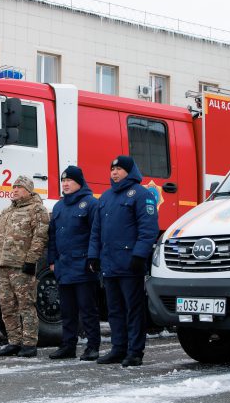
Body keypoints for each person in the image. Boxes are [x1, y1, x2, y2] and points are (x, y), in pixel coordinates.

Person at [87, 155, 159, 367]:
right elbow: (96, 230)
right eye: (112, 169)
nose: (114, 173)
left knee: (133, 309)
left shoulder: (141, 194)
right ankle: (118, 349)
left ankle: (135, 352)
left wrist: (139, 255)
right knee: (114, 310)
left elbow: (148, 229)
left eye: (119, 169)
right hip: (110, 264)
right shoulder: (105, 197)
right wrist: (93, 255)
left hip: (130, 264)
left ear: (129, 171)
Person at [47, 165, 101, 361]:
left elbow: (96, 234)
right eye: (63, 181)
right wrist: (52, 260)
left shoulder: (91, 204)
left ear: (79, 182)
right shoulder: (59, 206)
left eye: (69, 180)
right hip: (64, 266)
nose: (65, 184)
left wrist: (93, 259)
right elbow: (52, 236)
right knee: (67, 310)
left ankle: (92, 346)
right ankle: (68, 345)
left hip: (84, 266)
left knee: (87, 310)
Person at [0, 175, 49, 358]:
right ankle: (14, 342)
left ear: (28, 190)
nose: (14, 190)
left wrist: (31, 261)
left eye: (19, 187)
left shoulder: (37, 209)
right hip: (3, 266)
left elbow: (40, 237)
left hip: (22, 266)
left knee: (26, 305)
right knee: (7, 307)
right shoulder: (6, 212)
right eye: (13, 187)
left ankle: (30, 343)